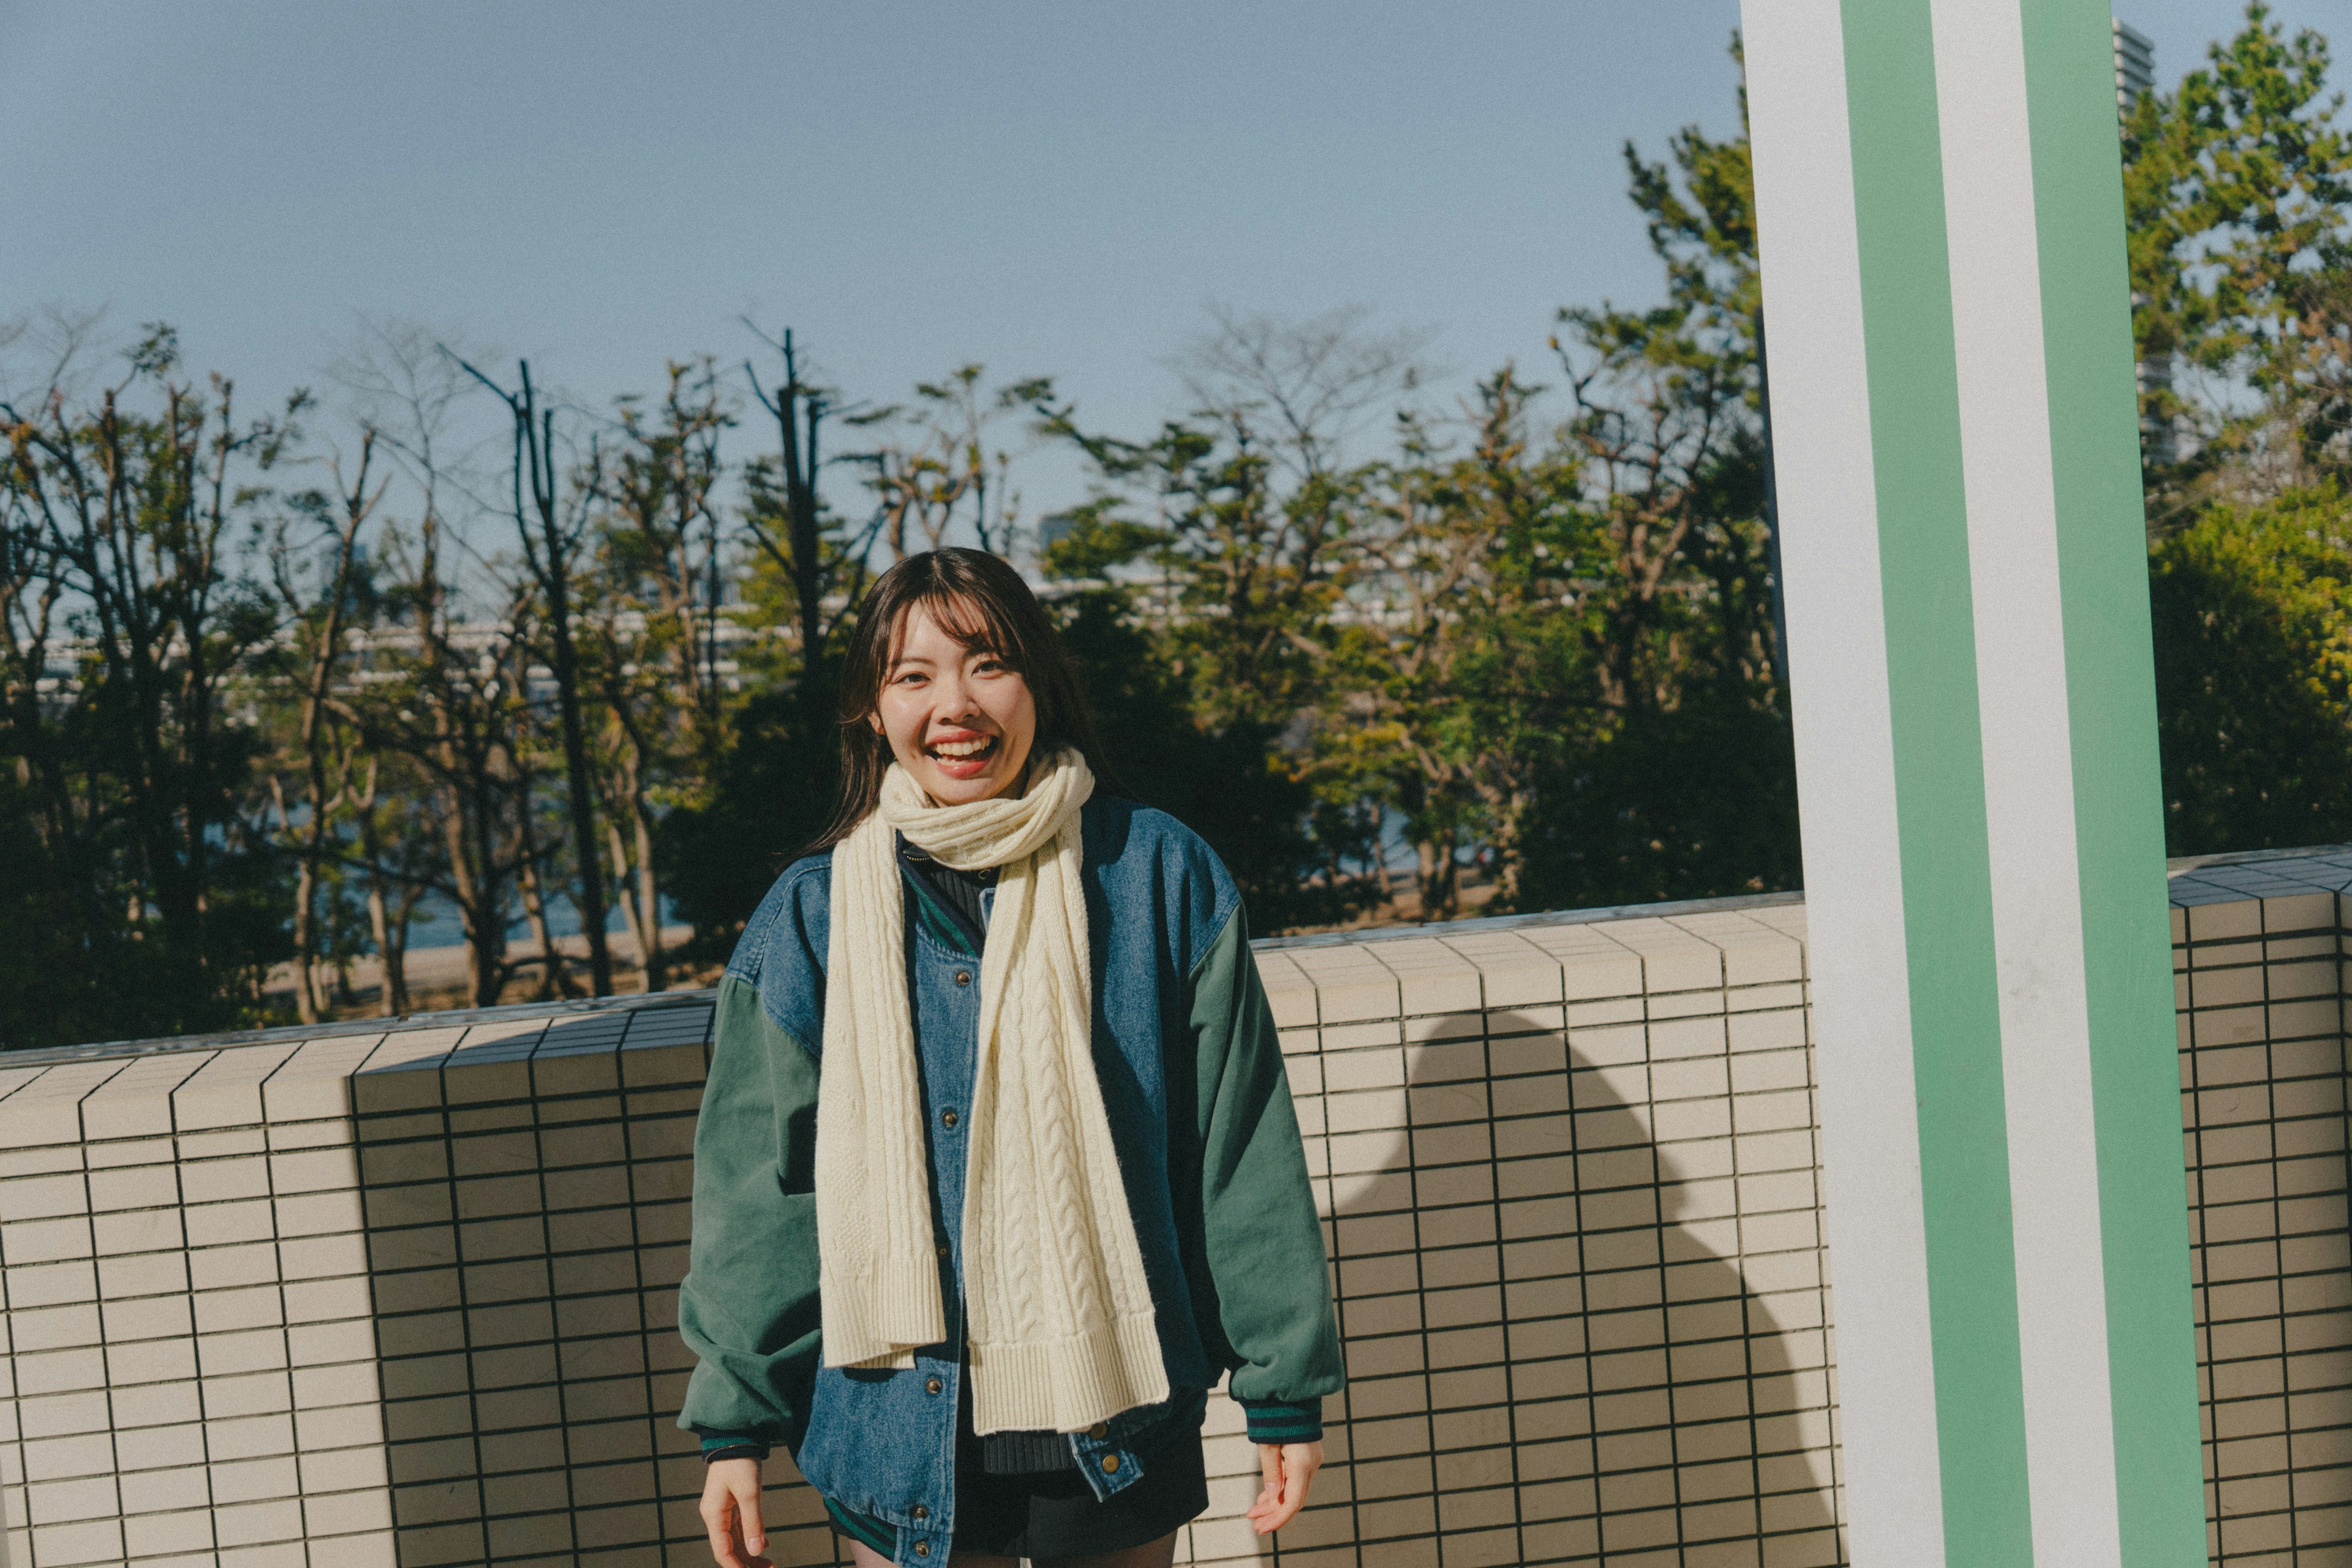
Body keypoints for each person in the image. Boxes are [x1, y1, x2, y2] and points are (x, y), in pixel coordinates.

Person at [679, 548, 1344, 1568]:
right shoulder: (812, 919)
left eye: (988, 664)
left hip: (1114, 1413)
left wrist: (1282, 1393)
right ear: (871, 709)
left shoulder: (1157, 873)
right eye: (914, 676)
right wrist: (735, 1425)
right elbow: (758, 1200)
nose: (956, 705)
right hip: (897, 1421)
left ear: (1038, 682)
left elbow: (1240, 1149)